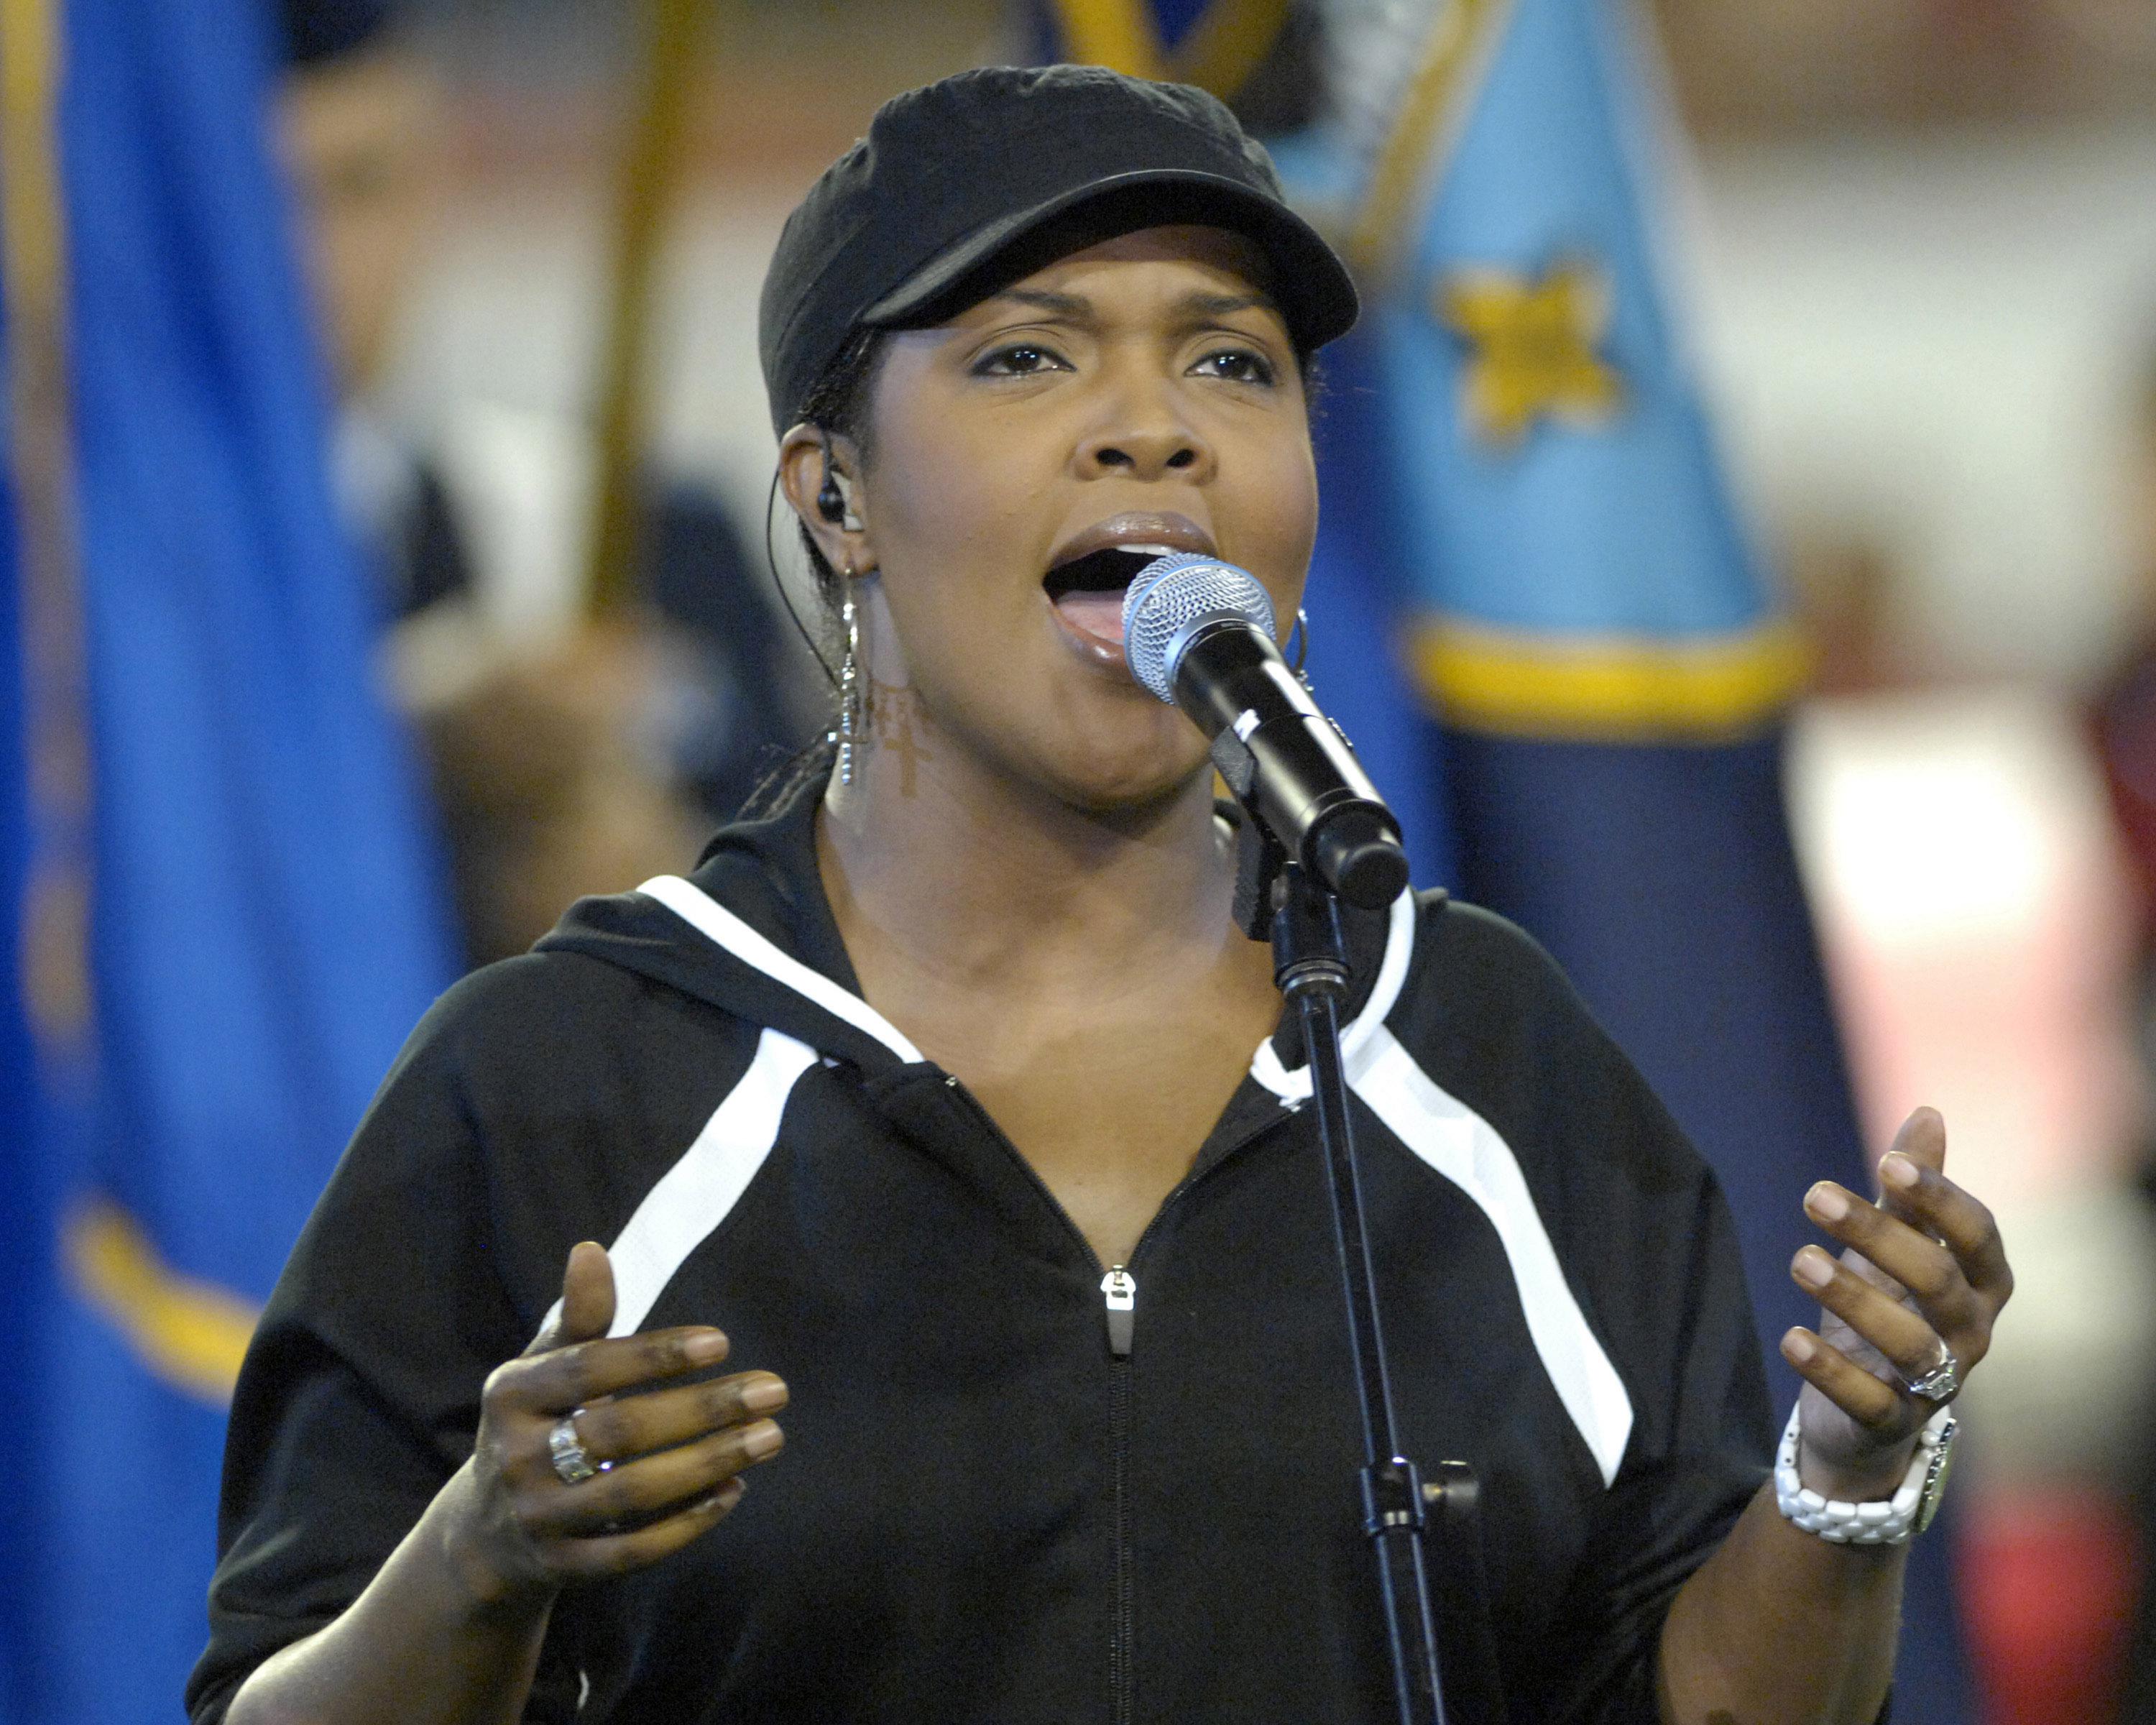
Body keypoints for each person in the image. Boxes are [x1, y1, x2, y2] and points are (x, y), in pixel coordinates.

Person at [188, 65, 2013, 1725]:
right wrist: (479, 1557)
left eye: (1233, 364)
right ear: (833, 499)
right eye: (1027, 358)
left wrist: (1845, 1474)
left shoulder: (1489, 1061)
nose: (1157, 428)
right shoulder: (557, 1089)